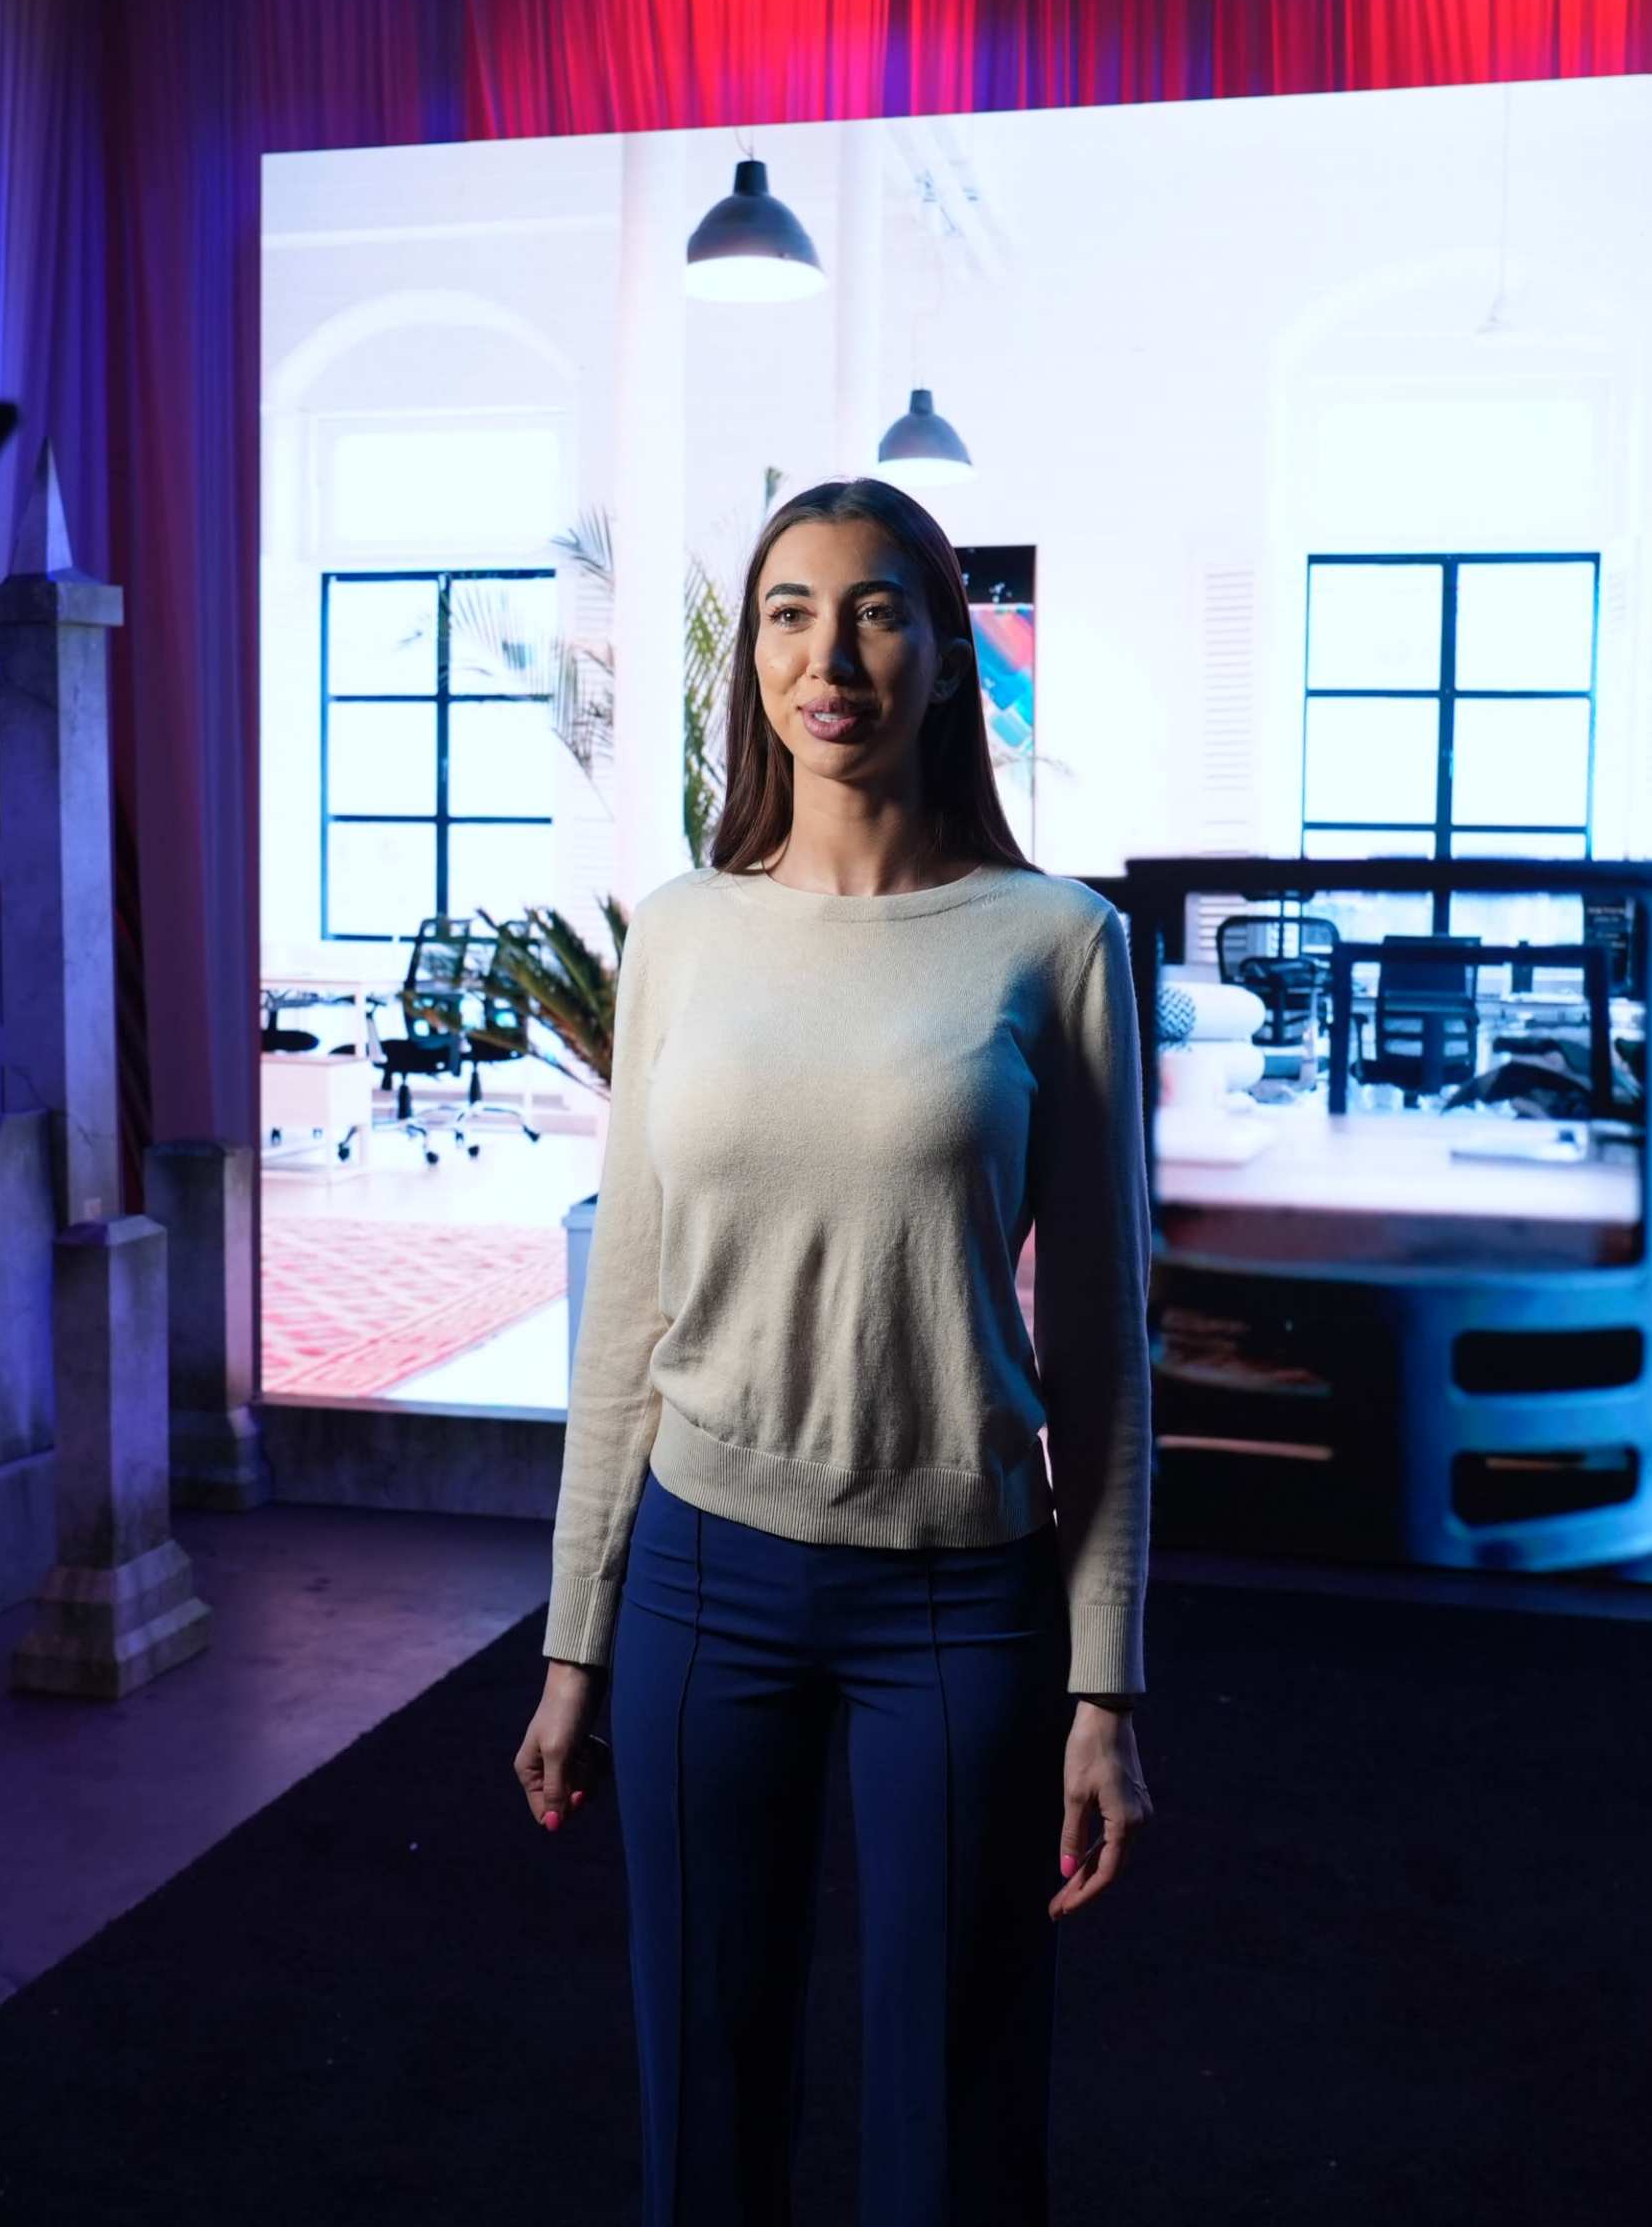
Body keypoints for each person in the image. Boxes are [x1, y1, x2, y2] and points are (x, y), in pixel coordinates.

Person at [513, 475, 1155, 2226]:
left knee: (954, 2119)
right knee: (703, 2100)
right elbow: (629, 1309)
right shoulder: (683, 930)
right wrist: (574, 1639)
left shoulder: (1058, 941)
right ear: (755, 661)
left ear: (948, 653)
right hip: (699, 1575)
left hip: (961, 1590)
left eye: (877, 609)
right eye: (789, 612)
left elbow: (1103, 1347)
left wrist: (1107, 1680)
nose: (830, 654)